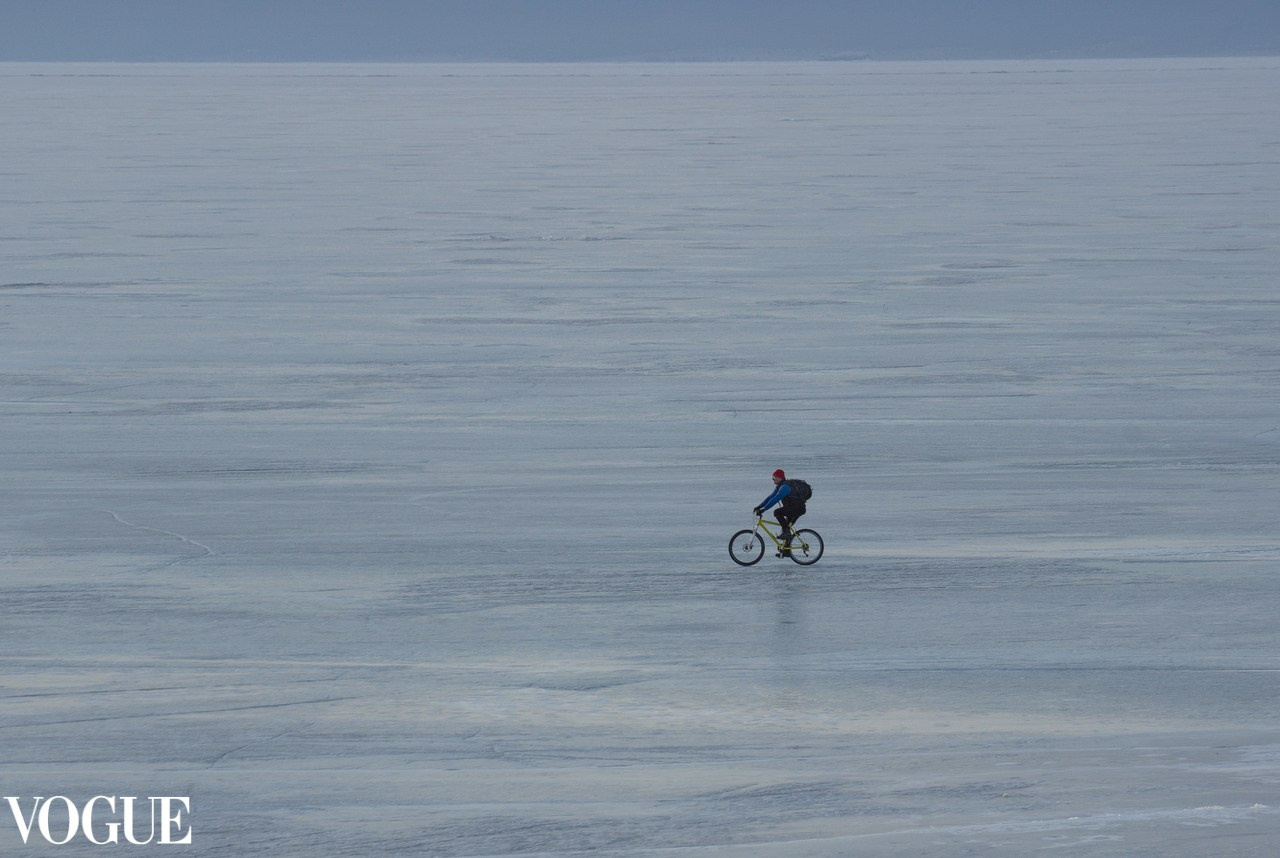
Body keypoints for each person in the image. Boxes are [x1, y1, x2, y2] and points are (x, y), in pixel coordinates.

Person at [753, 468, 806, 553]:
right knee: (786, 527)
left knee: (777, 512)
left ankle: (786, 533)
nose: (772, 479)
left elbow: (776, 499)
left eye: (774, 477)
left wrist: (764, 509)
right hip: (793, 508)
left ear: (779, 477)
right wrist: (759, 506)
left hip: (798, 509)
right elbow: (770, 497)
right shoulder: (779, 487)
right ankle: (786, 551)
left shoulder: (785, 487)